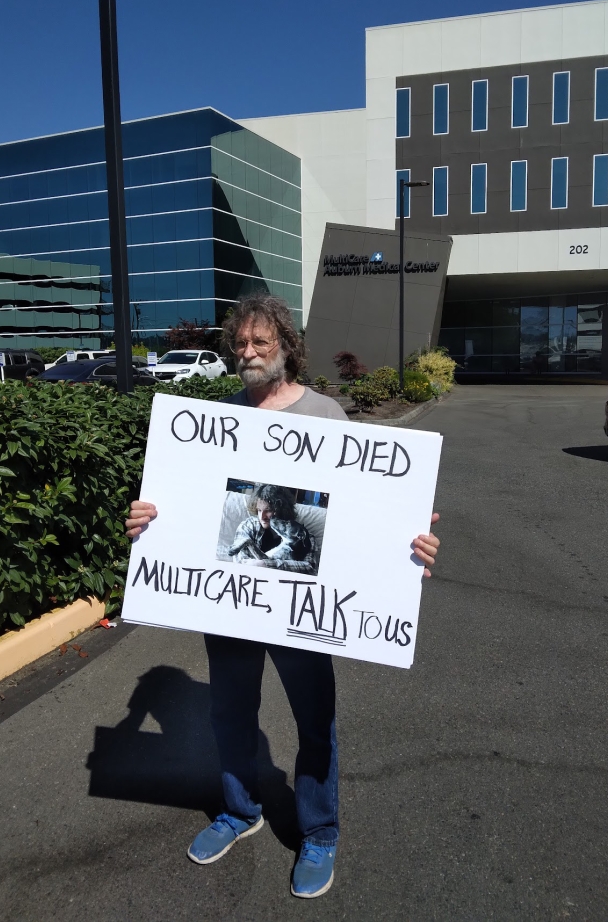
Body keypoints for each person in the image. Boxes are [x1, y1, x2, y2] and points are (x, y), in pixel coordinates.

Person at [126, 294, 440, 899]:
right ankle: (242, 811)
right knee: (230, 713)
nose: (247, 353)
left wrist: (409, 547)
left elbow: (364, 513)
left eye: (259, 343)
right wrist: (151, 520)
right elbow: (191, 510)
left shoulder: (325, 415)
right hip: (231, 602)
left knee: (314, 721)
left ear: (285, 348)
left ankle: (319, 831)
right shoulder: (216, 420)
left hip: (303, 609)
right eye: (239, 344)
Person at [227, 483, 318, 575]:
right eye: (259, 510)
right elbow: (242, 562)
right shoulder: (249, 526)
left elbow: (310, 568)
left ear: (282, 509)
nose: (262, 517)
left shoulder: (305, 538)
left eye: (268, 510)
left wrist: (265, 564)